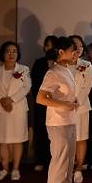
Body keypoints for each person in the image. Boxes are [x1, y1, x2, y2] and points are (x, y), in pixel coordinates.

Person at [36, 37, 78, 183]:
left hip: (70, 121)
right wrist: (63, 105)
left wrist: (71, 104)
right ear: (61, 52)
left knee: (68, 163)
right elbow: (40, 98)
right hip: (57, 122)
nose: (76, 53)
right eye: (72, 50)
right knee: (59, 162)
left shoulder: (67, 70)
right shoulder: (53, 72)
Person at [0, 41, 31, 181]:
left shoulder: (24, 69)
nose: (11, 54)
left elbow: (26, 87)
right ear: (2, 54)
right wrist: (2, 100)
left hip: (17, 109)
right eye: (8, 51)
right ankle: (5, 168)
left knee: (18, 140)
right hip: (1, 110)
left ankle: (16, 169)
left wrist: (11, 100)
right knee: (3, 141)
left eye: (14, 51)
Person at [68, 35, 92, 183]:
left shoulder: (87, 65)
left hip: (81, 107)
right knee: (66, 139)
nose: (78, 48)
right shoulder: (61, 65)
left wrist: (78, 100)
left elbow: (87, 85)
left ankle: (78, 168)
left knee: (80, 137)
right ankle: (68, 167)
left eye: (80, 46)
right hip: (64, 108)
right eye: (74, 45)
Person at [31, 35, 57, 171]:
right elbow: (34, 84)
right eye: (47, 45)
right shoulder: (39, 63)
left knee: (54, 133)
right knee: (40, 131)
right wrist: (43, 98)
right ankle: (40, 159)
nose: (49, 48)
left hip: (57, 104)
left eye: (52, 46)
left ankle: (54, 160)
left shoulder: (60, 63)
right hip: (41, 104)